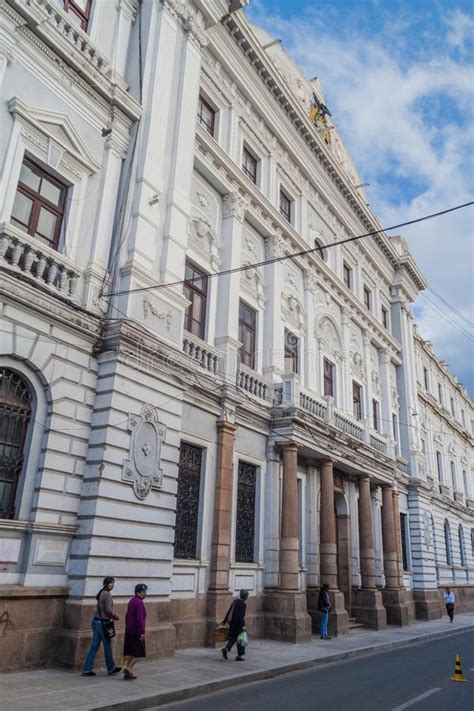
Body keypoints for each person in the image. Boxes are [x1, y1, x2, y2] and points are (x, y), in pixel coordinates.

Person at [82, 576, 121, 677]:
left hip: (96, 622)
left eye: (113, 583)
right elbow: (108, 610)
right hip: (103, 623)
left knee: (94, 646)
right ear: (106, 584)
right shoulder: (107, 594)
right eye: (111, 583)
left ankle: (86, 669)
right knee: (107, 645)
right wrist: (115, 616)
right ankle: (111, 668)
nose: (112, 585)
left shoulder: (100, 593)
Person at [123, 583, 148, 680]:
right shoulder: (139, 602)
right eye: (144, 592)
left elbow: (127, 616)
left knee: (129, 652)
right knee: (139, 653)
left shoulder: (132, 601)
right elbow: (140, 619)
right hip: (136, 632)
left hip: (129, 630)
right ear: (139, 592)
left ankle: (127, 671)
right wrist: (142, 632)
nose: (145, 594)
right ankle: (128, 669)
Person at [221, 589, 248, 661]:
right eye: (247, 596)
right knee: (241, 639)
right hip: (238, 624)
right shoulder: (243, 604)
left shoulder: (234, 602)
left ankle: (226, 649)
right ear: (245, 596)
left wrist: (224, 621)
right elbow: (240, 616)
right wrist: (243, 625)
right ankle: (239, 656)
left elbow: (229, 612)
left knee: (233, 638)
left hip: (232, 623)